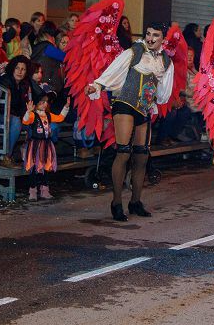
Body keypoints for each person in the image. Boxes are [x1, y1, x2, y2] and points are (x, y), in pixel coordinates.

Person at [85, 22, 175, 221]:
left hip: (144, 108)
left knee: (142, 155)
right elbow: (113, 70)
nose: (151, 38)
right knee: (124, 152)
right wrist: (97, 85)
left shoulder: (166, 61)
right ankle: (117, 203)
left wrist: (160, 100)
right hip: (124, 102)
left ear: (163, 39)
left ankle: (135, 201)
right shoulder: (134, 51)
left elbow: (162, 92)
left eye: (156, 35)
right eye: (149, 33)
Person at [21, 93, 68, 200]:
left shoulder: (49, 115)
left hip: (47, 144)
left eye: (46, 102)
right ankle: (32, 191)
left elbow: (60, 118)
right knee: (34, 167)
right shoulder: (33, 115)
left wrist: (66, 107)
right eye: (42, 102)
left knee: (46, 167)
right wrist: (28, 111)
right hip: (35, 145)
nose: (45, 104)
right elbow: (25, 121)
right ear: (36, 104)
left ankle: (45, 190)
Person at [0, 56, 34, 167]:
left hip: (18, 116)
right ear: (12, 68)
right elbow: (1, 106)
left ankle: (31, 153)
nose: (20, 71)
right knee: (16, 122)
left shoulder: (25, 84)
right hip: (2, 115)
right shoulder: (5, 80)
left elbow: (25, 105)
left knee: (36, 123)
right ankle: (6, 156)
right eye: (17, 68)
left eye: (23, 69)